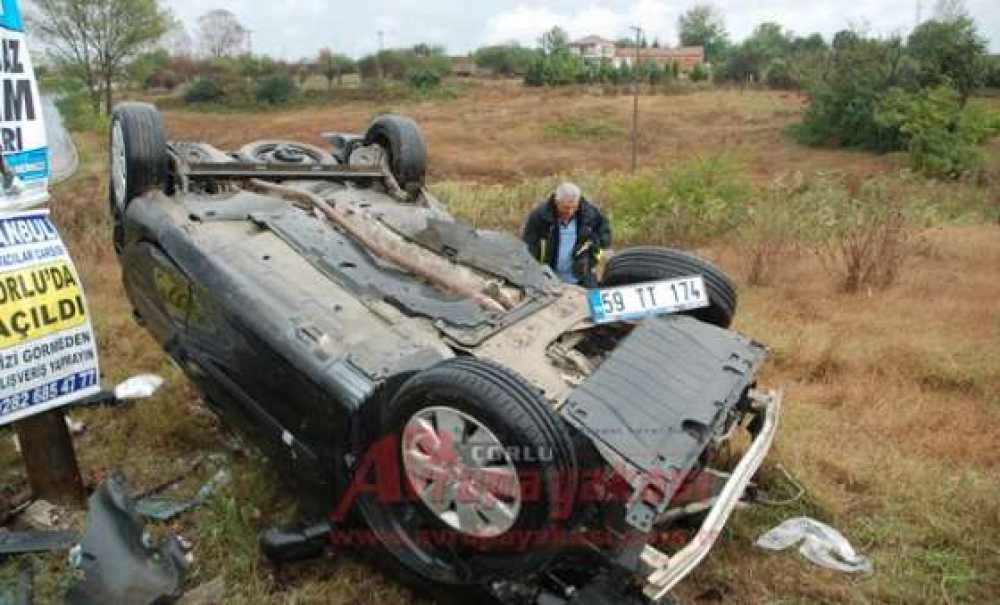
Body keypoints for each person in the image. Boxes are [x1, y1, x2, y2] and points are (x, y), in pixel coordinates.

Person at [522, 182, 611, 287]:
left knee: (596, 302)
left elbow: (605, 238)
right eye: (565, 207)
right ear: (556, 202)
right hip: (548, 277)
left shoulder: (591, 214)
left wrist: (590, 259)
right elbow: (529, 246)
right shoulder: (540, 216)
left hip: (583, 276)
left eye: (574, 207)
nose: (570, 212)